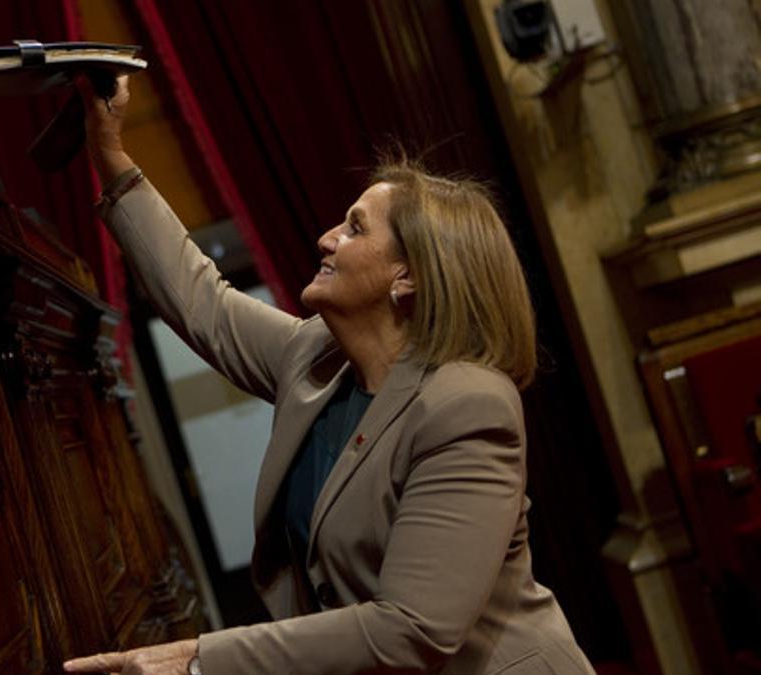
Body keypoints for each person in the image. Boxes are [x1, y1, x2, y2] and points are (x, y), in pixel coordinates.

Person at [64, 74, 595, 675]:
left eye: (355, 228)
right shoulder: (314, 357)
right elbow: (200, 303)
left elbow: (411, 630)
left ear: (408, 277)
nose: (326, 238)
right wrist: (110, 151)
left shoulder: (467, 405)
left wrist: (198, 660)